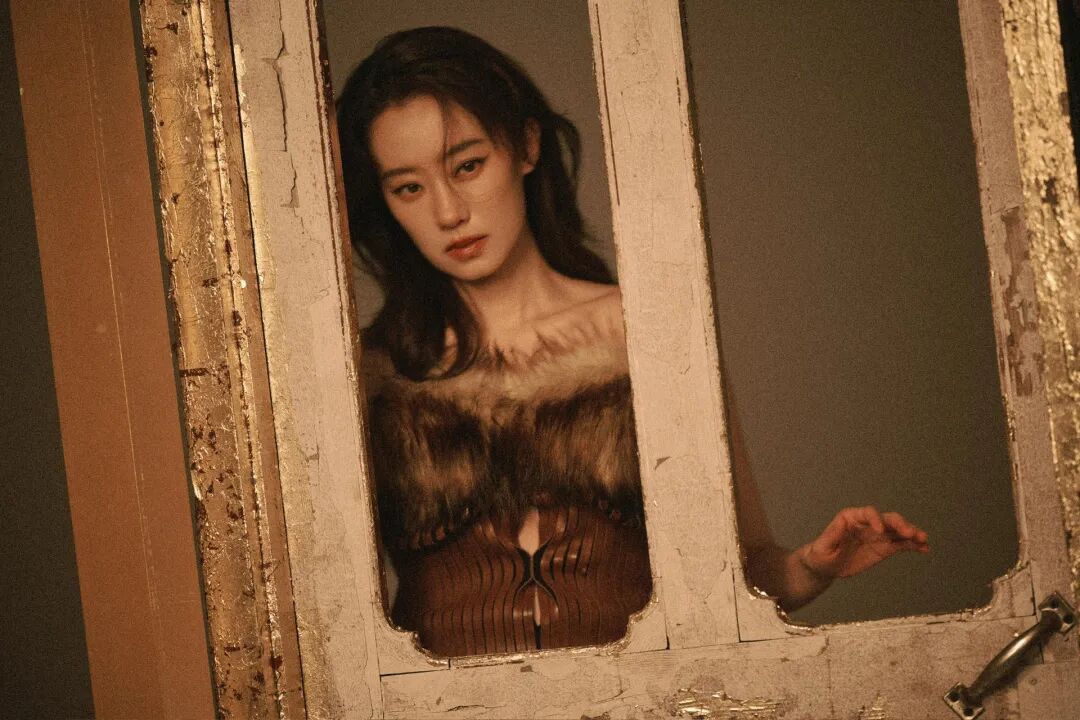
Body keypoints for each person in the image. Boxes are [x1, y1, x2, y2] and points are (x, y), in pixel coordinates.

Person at [336, 26, 928, 657]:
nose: (448, 212)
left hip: (642, 695)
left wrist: (811, 566)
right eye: (409, 187)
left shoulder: (650, 332)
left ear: (527, 146)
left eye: (468, 166)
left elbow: (742, 571)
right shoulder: (371, 374)